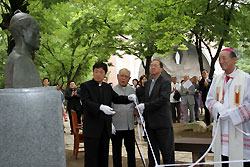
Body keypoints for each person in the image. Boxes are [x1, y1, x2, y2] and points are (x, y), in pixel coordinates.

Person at [80, 62, 136, 167]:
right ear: (93, 72)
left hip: (105, 130)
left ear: (105, 74)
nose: (98, 74)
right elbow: (86, 102)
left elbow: (116, 98)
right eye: (96, 71)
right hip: (92, 129)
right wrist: (100, 107)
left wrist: (128, 98)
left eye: (101, 72)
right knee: (91, 159)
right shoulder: (85, 86)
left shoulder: (107, 87)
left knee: (104, 158)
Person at [206, 48, 250, 167]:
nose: (221, 61)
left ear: (234, 59)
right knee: (223, 159)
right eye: (219, 59)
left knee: (240, 160)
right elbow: (209, 100)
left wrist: (233, 113)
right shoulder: (217, 80)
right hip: (221, 129)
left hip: (239, 129)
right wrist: (219, 109)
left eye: (224, 58)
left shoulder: (246, 79)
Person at [137, 59, 175, 167]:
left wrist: (146, 106)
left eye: (155, 65)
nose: (152, 67)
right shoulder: (147, 83)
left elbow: (163, 100)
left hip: (162, 122)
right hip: (150, 123)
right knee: (152, 152)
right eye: (151, 65)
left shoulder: (165, 82)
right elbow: (146, 99)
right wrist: (142, 114)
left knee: (167, 151)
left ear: (161, 69)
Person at [5, 11, 41, 88]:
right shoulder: (21, 60)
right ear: (22, 31)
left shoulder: (12, 57)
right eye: (36, 30)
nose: (39, 35)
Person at [111, 68, 136, 167]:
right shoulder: (112, 91)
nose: (123, 78)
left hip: (129, 126)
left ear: (129, 78)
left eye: (126, 77)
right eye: (122, 76)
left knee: (131, 150)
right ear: (118, 76)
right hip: (116, 126)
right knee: (116, 151)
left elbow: (135, 106)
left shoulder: (132, 90)